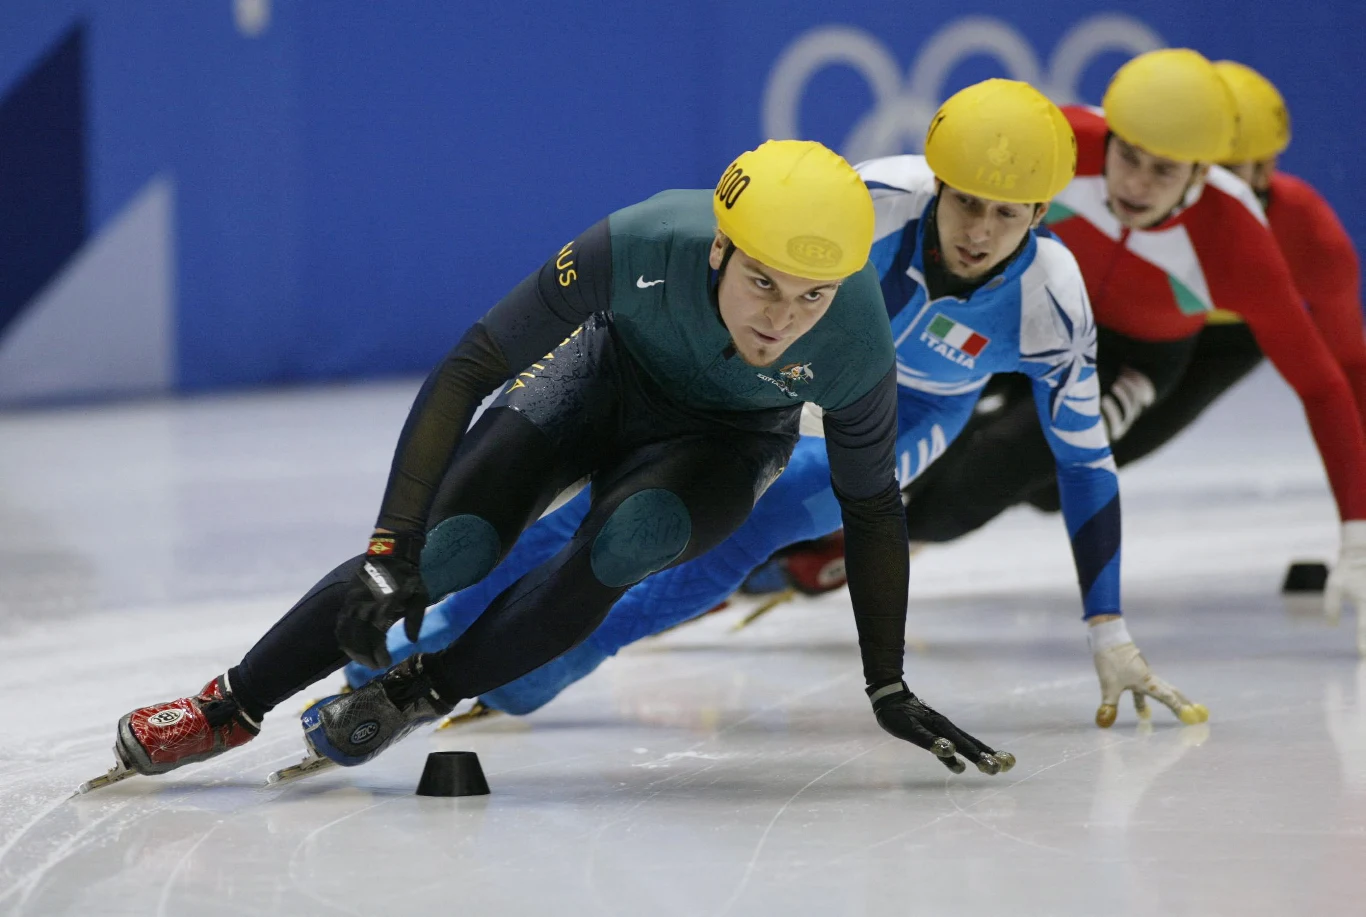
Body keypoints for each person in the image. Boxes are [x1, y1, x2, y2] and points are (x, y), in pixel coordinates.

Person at [79, 140, 1012, 794]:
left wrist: (883, 681)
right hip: (602, 380)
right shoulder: (644, 240)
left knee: (631, 540)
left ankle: (422, 689)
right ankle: (230, 703)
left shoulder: (852, 349)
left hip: (727, 442)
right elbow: (471, 367)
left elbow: (875, 508)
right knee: (445, 552)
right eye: (762, 280)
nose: (779, 319)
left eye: (811, 296)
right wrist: (389, 547)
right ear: (720, 245)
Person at [352, 80, 1203, 733]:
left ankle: (544, 666)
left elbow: (1085, 464)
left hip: (908, 416)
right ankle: (431, 629)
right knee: (606, 491)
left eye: (1007, 214)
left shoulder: (1053, 301)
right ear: (937, 184)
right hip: (783, 375)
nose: (978, 231)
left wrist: (1108, 628)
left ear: (1042, 217)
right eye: (967, 201)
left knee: (773, 510)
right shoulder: (868, 203)